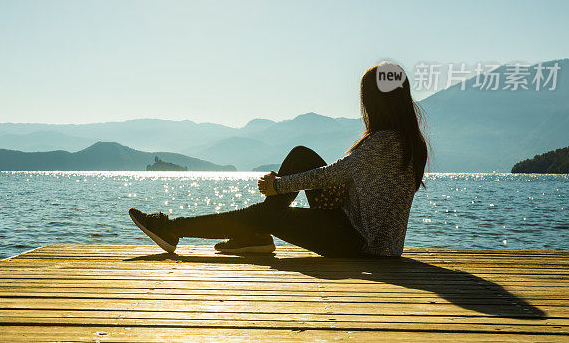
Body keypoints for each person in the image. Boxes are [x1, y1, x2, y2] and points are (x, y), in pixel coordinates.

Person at [129, 62, 428, 258]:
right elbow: (370, 191)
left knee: (266, 212)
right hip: (361, 235)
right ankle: (255, 234)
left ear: (374, 103)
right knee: (302, 156)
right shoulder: (410, 143)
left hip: (356, 244)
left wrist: (278, 185)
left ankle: (174, 228)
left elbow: (329, 175)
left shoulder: (383, 143)